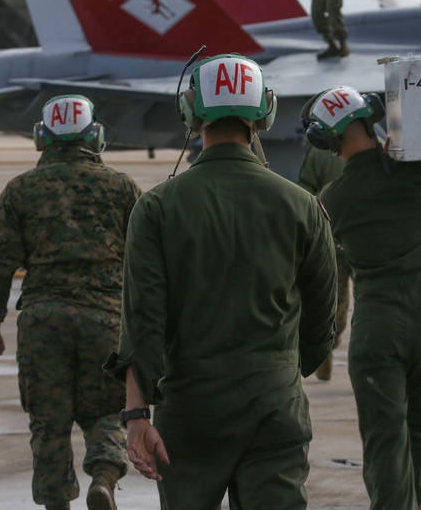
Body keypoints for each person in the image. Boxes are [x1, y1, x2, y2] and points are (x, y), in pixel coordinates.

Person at [104, 54, 338, 509]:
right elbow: (321, 322)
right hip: (275, 403)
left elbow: (143, 321)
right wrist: (280, 373)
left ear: (191, 112)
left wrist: (136, 415)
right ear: (264, 113)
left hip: (191, 409)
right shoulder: (303, 205)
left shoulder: (156, 208)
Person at [304, 84, 421, 510]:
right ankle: (417, 502)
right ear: (370, 120)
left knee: (386, 435)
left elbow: (302, 256)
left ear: (325, 140)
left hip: (378, 320)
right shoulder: (417, 171)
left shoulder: (334, 198)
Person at [0, 94, 142, 510]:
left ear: (42, 139)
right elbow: (150, 260)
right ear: (96, 137)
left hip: (42, 321)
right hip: (107, 319)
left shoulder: (19, 191)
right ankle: (103, 477)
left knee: (48, 424)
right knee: (107, 411)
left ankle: (56, 504)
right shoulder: (122, 188)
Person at [297, 141, 351, 381]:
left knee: (334, 299)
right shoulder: (376, 145)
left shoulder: (318, 153)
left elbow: (306, 191)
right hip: (365, 240)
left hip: (330, 239)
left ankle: (326, 346)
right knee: (372, 297)